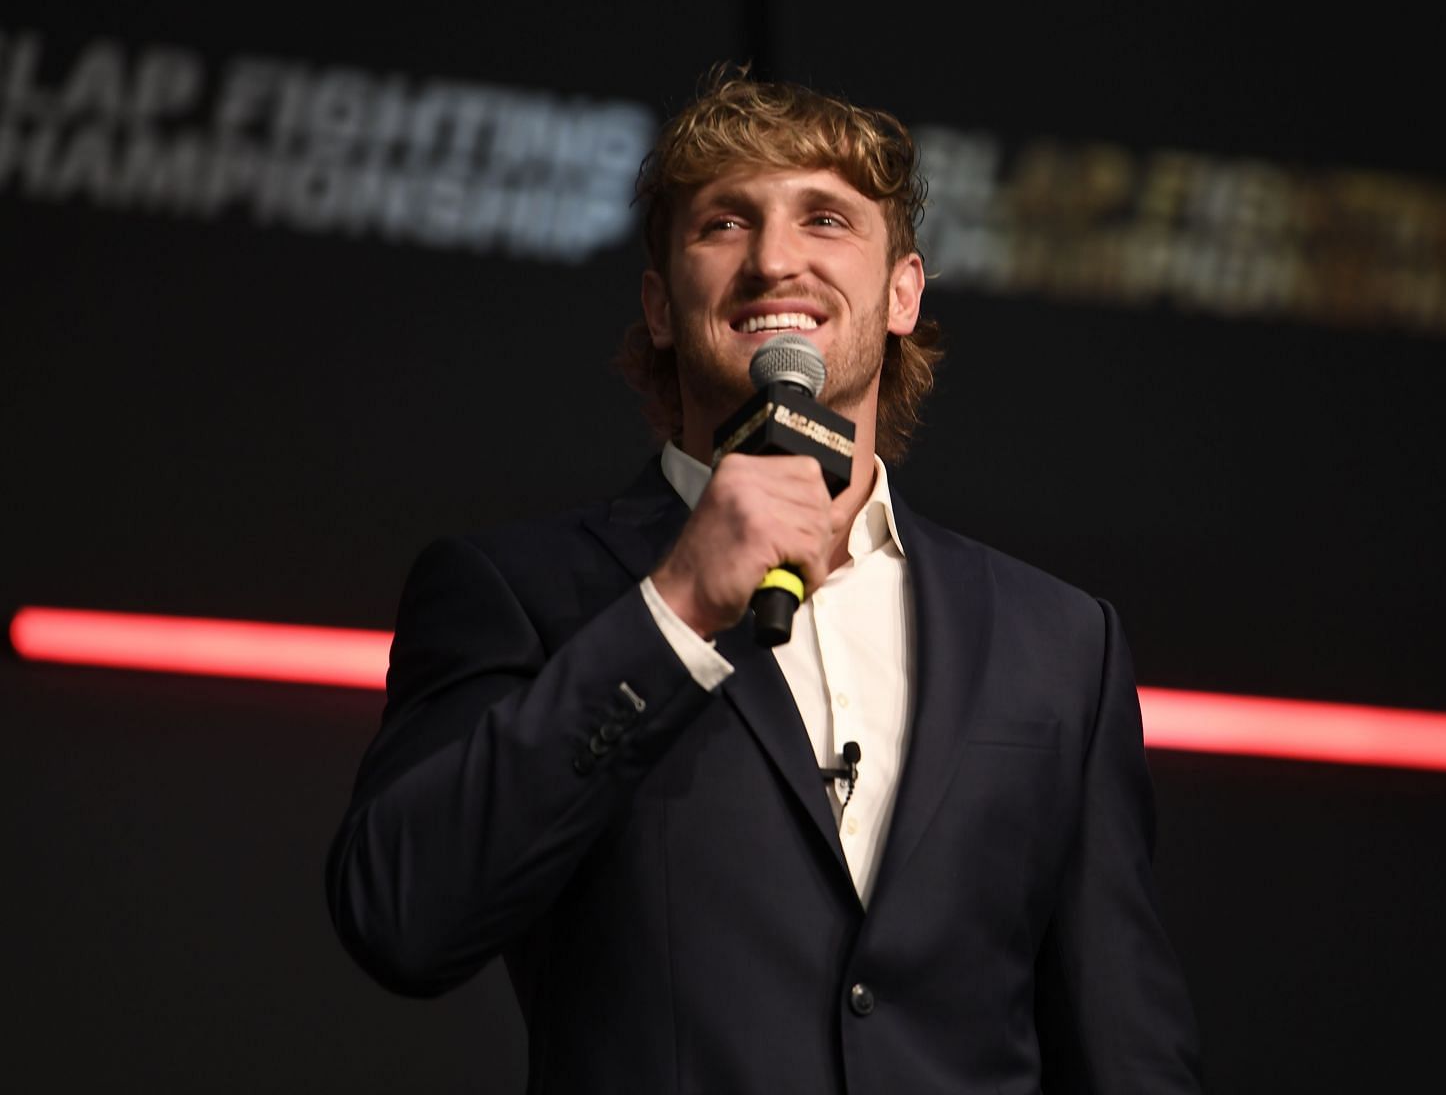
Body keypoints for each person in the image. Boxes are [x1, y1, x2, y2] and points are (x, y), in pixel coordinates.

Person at [326, 70, 1202, 1093]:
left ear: (904, 291)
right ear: (660, 303)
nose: (775, 260)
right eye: (725, 224)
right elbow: (400, 914)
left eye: (825, 218)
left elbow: (1125, 1042)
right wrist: (676, 606)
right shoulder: (517, 589)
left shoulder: (1061, 640)